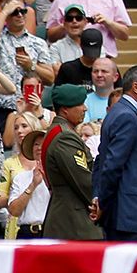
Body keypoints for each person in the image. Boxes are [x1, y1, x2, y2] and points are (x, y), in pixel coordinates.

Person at [92, 65, 137, 241]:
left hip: (133, 217)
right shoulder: (127, 116)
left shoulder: (126, 113)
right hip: (131, 219)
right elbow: (111, 165)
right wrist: (102, 201)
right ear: (136, 87)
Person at [40, 83, 101, 239]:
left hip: (68, 220)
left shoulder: (59, 131)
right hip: (74, 224)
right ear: (65, 109)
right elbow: (83, 180)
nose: (85, 108)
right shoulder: (65, 137)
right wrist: (100, 203)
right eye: (80, 104)